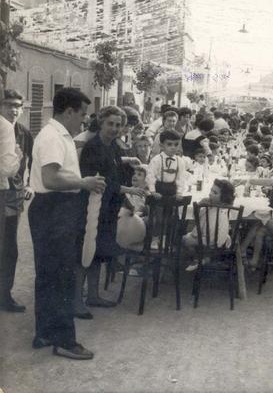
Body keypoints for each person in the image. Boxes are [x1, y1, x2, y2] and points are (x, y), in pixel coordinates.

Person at [29, 88, 106, 360]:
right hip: (54, 208)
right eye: (82, 115)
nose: (84, 121)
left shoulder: (59, 135)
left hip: (53, 208)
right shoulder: (53, 136)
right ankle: (64, 340)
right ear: (69, 111)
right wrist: (82, 182)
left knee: (49, 275)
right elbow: (50, 178)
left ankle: (46, 332)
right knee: (62, 276)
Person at [75, 106, 146, 318]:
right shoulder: (92, 146)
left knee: (99, 251)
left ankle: (94, 295)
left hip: (108, 208)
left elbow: (113, 166)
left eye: (118, 125)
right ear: (101, 123)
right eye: (110, 124)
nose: (114, 128)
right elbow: (99, 180)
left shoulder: (113, 146)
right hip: (91, 207)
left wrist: (128, 161)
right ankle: (77, 302)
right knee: (85, 253)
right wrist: (128, 190)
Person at [0, 89, 30, 312]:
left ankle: (5, 295)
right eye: (9, 104)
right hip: (2, 191)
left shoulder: (24, 133)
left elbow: (28, 163)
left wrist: (28, 185)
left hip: (14, 195)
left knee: (9, 246)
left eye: (18, 105)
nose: (14, 109)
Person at [184, 179, 235, 272]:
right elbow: (197, 217)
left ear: (224, 197)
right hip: (218, 239)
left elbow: (197, 218)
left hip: (212, 239)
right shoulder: (211, 205)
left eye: (215, 193)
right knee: (191, 236)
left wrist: (200, 205)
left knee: (185, 240)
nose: (210, 194)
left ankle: (200, 258)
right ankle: (206, 257)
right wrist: (200, 205)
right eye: (211, 190)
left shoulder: (217, 208)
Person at [147, 130, 189, 198]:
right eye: (169, 144)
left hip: (173, 191)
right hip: (158, 191)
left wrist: (179, 192)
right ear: (161, 146)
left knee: (172, 208)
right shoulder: (156, 160)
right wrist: (153, 191)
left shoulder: (180, 161)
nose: (173, 147)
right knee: (158, 208)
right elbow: (150, 176)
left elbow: (181, 178)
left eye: (176, 144)